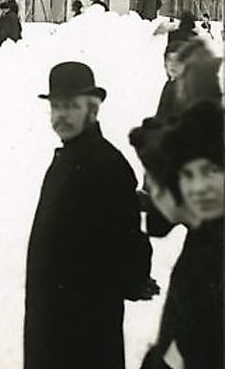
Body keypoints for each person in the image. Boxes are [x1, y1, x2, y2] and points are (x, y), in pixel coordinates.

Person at [25, 62, 155, 369]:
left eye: (71, 106)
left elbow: (128, 242)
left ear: (93, 110)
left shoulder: (106, 163)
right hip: (53, 322)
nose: (61, 115)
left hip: (83, 332)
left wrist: (134, 281)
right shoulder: (68, 157)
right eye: (56, 106)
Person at [131, 102, 224, 369]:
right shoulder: (204, 240)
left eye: (155, 187)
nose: (154, 197)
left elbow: (192, 346)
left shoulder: (210, 260)